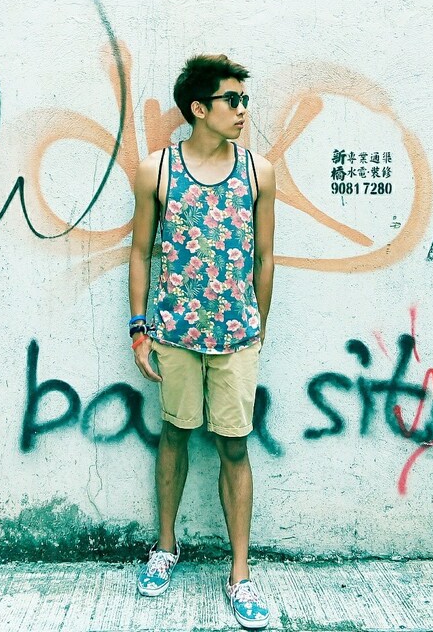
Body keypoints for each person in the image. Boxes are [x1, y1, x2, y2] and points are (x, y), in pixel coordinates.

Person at [128, 53, 275, 630]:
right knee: (175, 435)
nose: (242, 110)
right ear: (198, 108)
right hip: (174, 334)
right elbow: (141, 253)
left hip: (237, 338)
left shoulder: (259, 173)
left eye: (244, 100)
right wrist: (139, 329)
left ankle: (240, 575)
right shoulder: (156, 171)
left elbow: (265, 258)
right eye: (231, 100)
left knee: (234, 448)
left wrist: (257, 327)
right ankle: (165, 547)